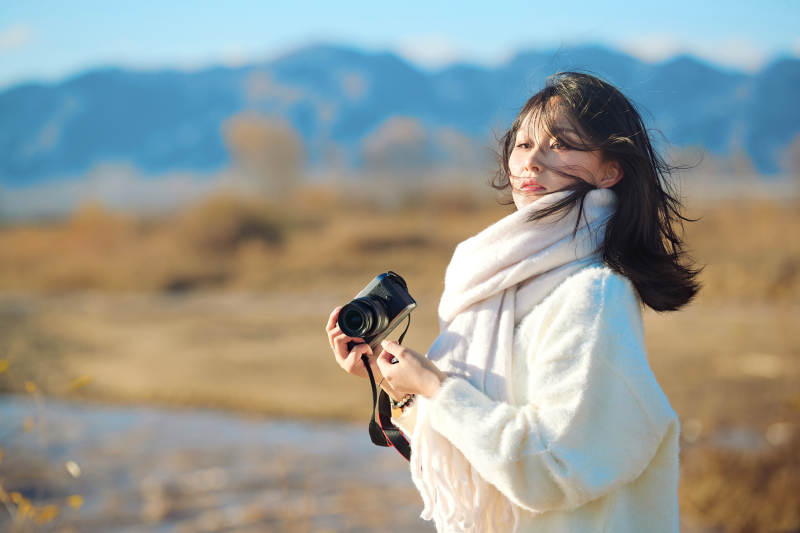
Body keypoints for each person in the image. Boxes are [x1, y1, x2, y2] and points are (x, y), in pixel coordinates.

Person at [325, 72, 699, 533]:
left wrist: (440, 390)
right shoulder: (497, 281)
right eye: (522, 145)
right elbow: (476, 450)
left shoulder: (592, 294)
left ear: (611, 169)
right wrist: (396, 384)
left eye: (561, 144)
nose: (532, 162)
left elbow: (552, 469)